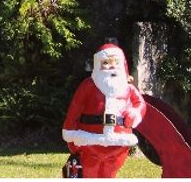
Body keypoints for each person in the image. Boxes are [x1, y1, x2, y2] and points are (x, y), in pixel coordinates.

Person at [61, 43, 147, 178]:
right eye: (106, 62)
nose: (111, 66)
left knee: (110, 173)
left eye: (115, 62)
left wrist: (135, 113)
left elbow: (140, 103)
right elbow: (75, 110)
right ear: (98, 64)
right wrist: (70, 135)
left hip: (119, 145)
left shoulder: (128, 88)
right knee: (90, 172)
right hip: (90, 144)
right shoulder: (88, 86)